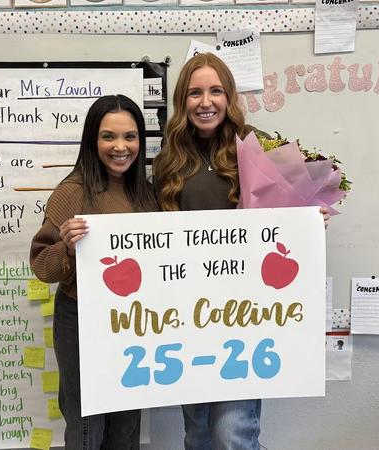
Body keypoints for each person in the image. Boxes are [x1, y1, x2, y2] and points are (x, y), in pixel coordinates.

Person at [153, 53, 330, 450]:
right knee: (198, 435)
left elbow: (286, 211)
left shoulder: (253, 146)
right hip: (190, 315)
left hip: (246, 316)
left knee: (232, 432)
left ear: (229, 96)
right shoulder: (169, 160)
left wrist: (309, 222)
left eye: (215, 91)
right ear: (183, 101)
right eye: (195, 93)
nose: (205, 101)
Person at [30, 94, 157, 450]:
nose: (121, 146)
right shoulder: (71, 193)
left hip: (135, 319)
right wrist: (66, 247)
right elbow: (41, 266)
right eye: (108, 136)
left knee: (127, 419)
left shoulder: (147, 195)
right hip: (82, 319)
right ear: (92, 140)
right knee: (87, 425)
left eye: (130, 137)